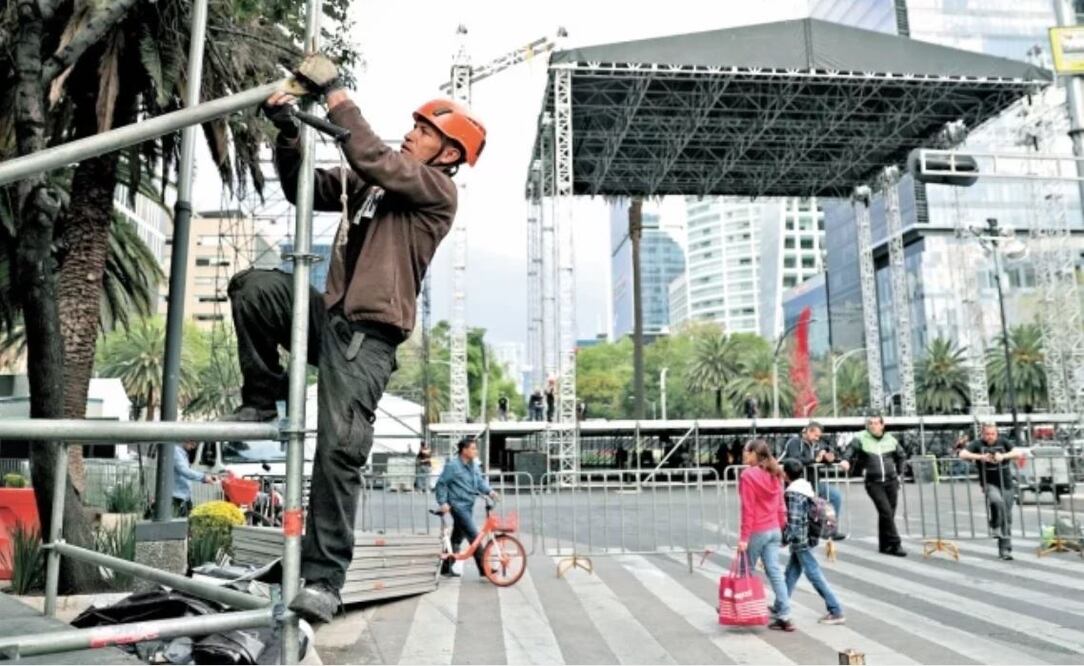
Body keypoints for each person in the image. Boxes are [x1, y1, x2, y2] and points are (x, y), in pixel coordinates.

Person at [228, 55, 486, 624]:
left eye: (424, 131)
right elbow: (306, 188)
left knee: (338, 451)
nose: (411, 133)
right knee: (253, 288)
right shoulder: (377, 180)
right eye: (414, 125)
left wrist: (337, 94)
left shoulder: (435, 191)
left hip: (368, 339)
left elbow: (371, 154)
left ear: (448, 153)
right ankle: (261, 393)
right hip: (332, 317)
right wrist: (291, 133)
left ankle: (324, 579)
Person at [737, 439, 793, 632]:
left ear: (754, 453)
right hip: (774, 529)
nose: (744, 455)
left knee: (747, 570)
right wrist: (783, 526)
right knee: (775, 572)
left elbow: (748, 509)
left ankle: (746, 610)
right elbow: (781, 505)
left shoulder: (748, 476)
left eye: (746, 451)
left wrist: (744, 538)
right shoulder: (776, 472)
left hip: (757, 530)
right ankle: (785, 614)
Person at [781, 459, 845, 625]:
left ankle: (835, 609)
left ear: (785, 474)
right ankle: (780, 604)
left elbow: (794, 520)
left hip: (801, 539)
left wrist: (784, 538)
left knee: (813, 573)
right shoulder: (805, 488)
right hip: (808, 536)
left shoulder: (794, 493)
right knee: (792, 572)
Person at [958, 422, 1026, 560]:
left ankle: (1005, 550)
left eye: (993, 434)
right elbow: (962, 453)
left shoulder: (1003, 442)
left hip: (1006, 483)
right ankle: (994, 524)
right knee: (996, 501)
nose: (990, 437)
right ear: (983, 434)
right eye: (987, 434)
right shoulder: (978, 444)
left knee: (1007, 518)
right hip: (989, 483)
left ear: (997, 434)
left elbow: (1018, 453)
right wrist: (980, 457)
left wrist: (1003, 456)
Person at [844, 415, 907, 557]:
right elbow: (849, 452)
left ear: (882, 425)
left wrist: (899, 474)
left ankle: (884, 546)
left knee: (888, 514)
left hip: (891, 481)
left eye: (875, 423)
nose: (872, 426)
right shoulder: (860, 438)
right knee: (886, 512)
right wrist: (845, 461)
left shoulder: (890, 439)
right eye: (869, 423)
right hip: (873, 482)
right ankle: (896, 544)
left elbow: (902, 456)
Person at [435, 436, 498, 577]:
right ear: (464, 450)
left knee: (456, 538)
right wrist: (443, 502)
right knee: (474, 536)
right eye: (473, 448)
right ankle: (484, 569)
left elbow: (480, 482)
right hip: (457, 506)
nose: (475, 451)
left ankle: (446, 566)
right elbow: (441, 484)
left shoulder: (473, 465)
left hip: (468, 505)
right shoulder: (452, 466)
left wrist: (490, 491)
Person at [780, 422, 848, 540]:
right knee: (798, 510)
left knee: (835, 496)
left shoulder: (817, 444)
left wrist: (833, 459)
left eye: (819, 436)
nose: (817, 438)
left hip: (812, 482)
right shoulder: (795, 442)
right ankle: (798, 532)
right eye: (816, 435)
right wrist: (815, 459)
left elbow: (828, 455)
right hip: (794, 484)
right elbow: (795, 459)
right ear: (808, 431)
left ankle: (830, 530)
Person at [173, 441, 215, 518]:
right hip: (176, 497)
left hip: (184, 497)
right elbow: (185, 471)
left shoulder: (183, 453)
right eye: (192, 443)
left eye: (196, 444)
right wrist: (203, 477)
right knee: (173, 525)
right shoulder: (175, 452)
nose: (194, 447)